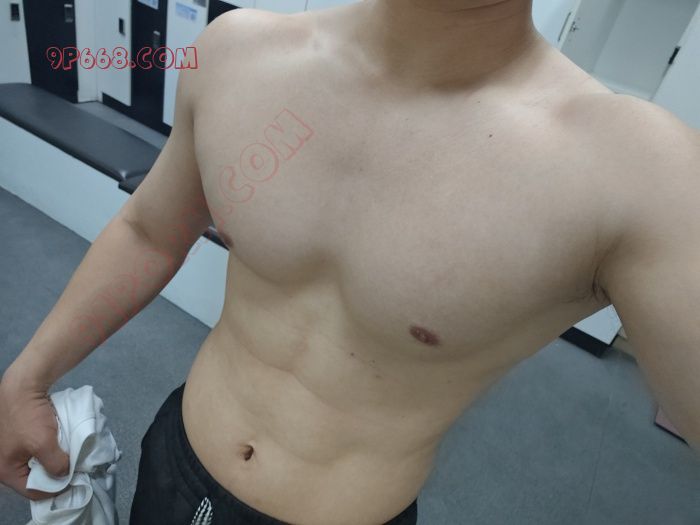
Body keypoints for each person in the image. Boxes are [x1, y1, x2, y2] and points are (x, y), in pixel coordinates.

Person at [1, 1, 699, 523]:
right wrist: (26, 377)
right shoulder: (239, 52)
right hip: (176, 464)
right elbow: (151, 232)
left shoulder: (636, 172)